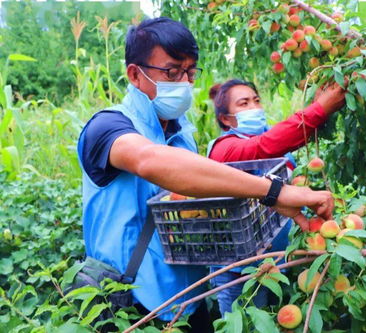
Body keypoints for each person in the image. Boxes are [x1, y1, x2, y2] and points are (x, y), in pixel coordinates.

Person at [77, 17, 334, 332]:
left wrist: (267, 205)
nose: (184, 82)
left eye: (190, 72)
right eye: (172, 72)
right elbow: (150, 160)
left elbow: (198, 187)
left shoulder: (182, 132)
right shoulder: (107, 128)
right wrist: (273, 191)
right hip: (129, 301)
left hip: (190, 296)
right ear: (135, 73)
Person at [206, 79, 345, 316]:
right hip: (241, 270)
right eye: (244, 103)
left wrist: (318, 101)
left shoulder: (267, 135)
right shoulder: (223, 147)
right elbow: (266, 146)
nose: (255, 107)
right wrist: (320, 109)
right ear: (226, 119)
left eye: (256, 100)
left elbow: (290, 136)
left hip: (275, 260)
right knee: (248, 321)